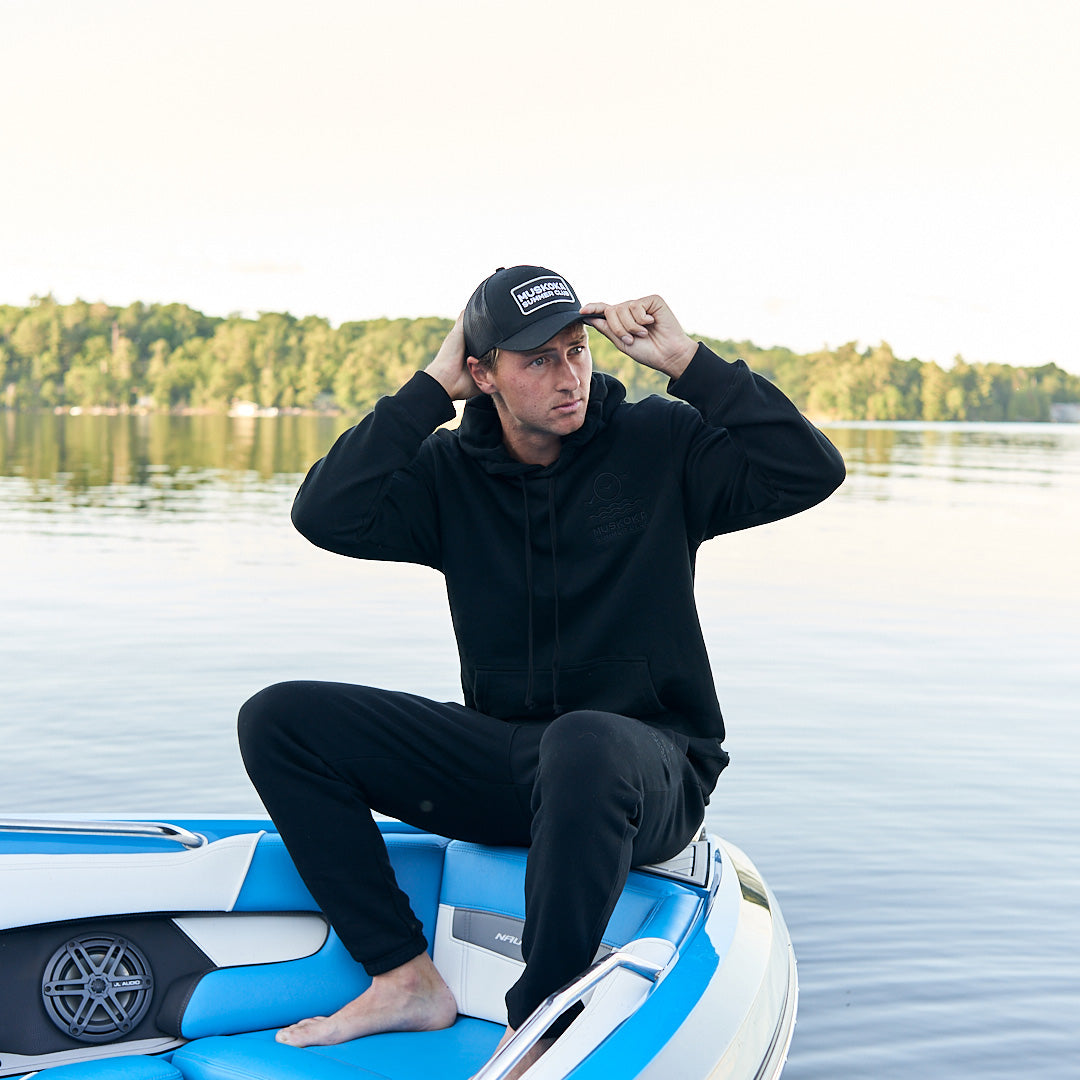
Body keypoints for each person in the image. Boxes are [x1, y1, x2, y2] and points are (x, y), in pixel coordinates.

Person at [238, 265, 845, 1075]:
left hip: (650, 772)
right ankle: (402, 975)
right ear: (482, 373)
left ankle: (540, 1026)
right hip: (517, 764)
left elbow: (809, 471)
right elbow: (324, 513)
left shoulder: (660, 443)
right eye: (537, 360)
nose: (569, 377)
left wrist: (689, 362)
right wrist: (428, 390)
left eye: (575, 352)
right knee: (279, 720)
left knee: (584, 743)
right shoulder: (449, 475)